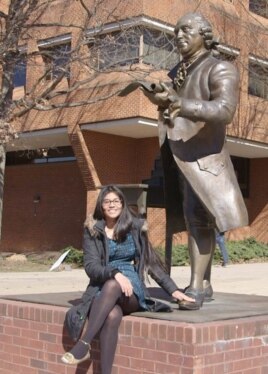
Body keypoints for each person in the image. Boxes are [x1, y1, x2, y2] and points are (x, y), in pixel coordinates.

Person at [138, 12, 248, 310]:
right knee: (191, 218)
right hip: (180, 155)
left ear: (204, 33)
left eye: (186, 29)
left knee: (199, 218)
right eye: (176, 31)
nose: (179, 35)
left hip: (205, 158)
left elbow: (224, 110)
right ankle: (206, 282)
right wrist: (163, 98)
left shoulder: (220, 68)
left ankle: (197, 286)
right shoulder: (178, 70)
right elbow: (175, 107)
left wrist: (180, 103)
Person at [61, 185, 194, 373]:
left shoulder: (135, 227)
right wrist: (115, 273)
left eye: (116, 201)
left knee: (114, 285)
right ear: (101, 205)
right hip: (104, 287)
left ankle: (84, 343)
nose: (111, 205)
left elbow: (151, 262)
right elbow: (91, 267)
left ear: (122, 204)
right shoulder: (93, 230)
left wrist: (173, 290)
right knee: (113, 315)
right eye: (107, 202)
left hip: (131, 291)